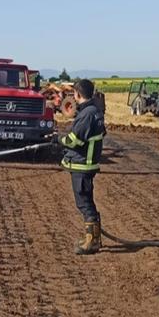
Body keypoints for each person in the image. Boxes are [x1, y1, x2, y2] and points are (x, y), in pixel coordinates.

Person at [60, 79, 107, 255]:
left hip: (82, 164)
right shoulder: (95, 111)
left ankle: (92, 242)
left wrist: (58, 140)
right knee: (86, 201)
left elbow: (74, 140)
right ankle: (93, 238)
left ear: (77, 94)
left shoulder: (87, 113)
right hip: (86, 163)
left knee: (84, 203)